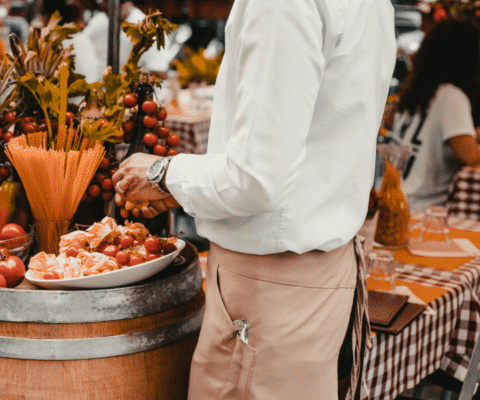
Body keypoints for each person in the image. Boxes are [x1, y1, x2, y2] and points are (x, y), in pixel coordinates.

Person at [111, 0, 396, 398]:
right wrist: (183, 188)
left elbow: (258, 179)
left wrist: (163, 173)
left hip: (271, 293)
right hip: (320, 278)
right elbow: (309, 146)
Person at [386, 19, 480, 212]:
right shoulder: (452, 97)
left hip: (392, 202)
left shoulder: (416, 92)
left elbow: (391, 122)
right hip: (423, 213)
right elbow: (469, 156)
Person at [40, 2, 102, 82]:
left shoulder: (55, 42)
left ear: (47, 17)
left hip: (73, 92)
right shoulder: (82, 38)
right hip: (91, 91)